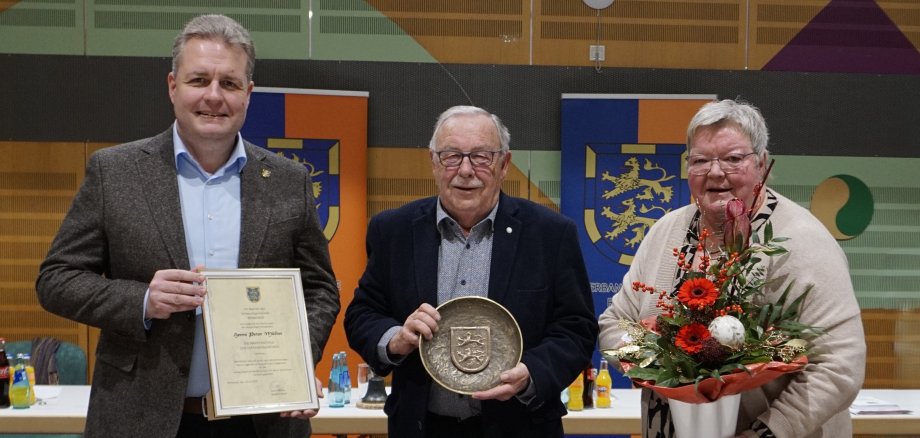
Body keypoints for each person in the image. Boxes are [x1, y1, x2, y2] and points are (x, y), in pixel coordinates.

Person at [35, 14, 340, 438]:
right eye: (199, 80)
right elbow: (55, 280)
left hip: (262, 422)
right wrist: (142, 299)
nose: (214, 96)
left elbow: (320, 288)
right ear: (172, 86)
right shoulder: (115, 172)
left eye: (229, 84)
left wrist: (296, 361)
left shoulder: (289, 181)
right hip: (140, 419)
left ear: (248, 95)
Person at [598, 99, 866, 437]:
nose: (715, 172)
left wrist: (766, 432)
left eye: (733, 159)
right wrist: (655, 358)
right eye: (700, 160)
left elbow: (840, 366)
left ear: (762, 163)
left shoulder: (804, 241)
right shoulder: (665, 232)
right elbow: (613, 322)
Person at [344, 105, 598, 437]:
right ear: (433, 162)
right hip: (421, 427)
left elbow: (576, 328)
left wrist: (532, 373)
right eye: (451, 156)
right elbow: (363, 313)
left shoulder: (550, 234)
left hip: (520, 426)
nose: (465, 170)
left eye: (481, 157)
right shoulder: (393, 231)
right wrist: (397, 339)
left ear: (504, 164)